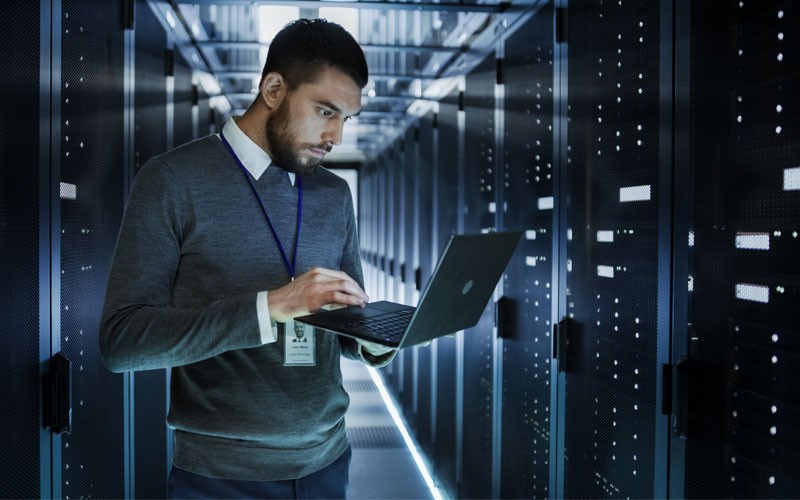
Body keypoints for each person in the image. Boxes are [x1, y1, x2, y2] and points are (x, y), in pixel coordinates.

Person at [99, 18, 396, 499]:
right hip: (220, 478)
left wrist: (381, 338)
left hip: (328, 463)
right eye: (325, 111)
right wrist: (270, 307)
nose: (336, 136)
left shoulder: (334, 194)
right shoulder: (172, 180)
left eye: (346, 118)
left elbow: (344, 326)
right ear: (273, 89)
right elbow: (122, 341)